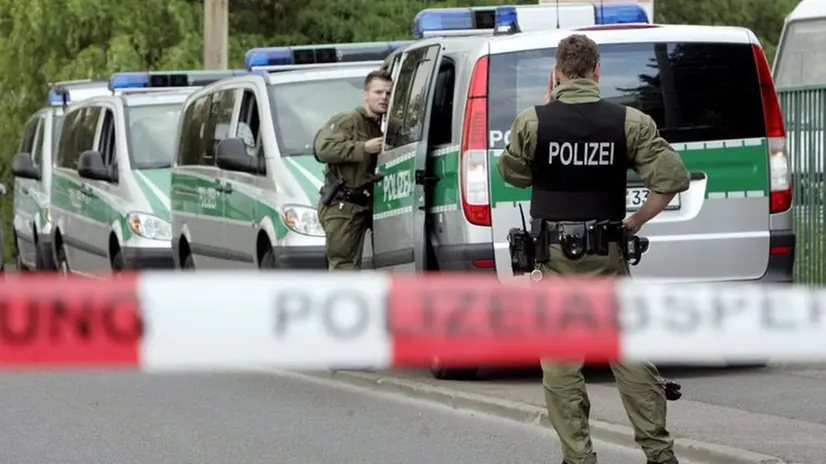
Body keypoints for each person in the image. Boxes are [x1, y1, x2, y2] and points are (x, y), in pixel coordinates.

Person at [497, 34, 690, 464]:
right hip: (608, 256)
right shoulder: (628, 121)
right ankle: (659, 454)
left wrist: (547, 113)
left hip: (555, 263)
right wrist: (636, 220)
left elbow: (513, 174)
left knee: (563, 365)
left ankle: (579, 458)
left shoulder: (532, 121)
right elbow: (673, 178)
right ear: (597, 71)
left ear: (557, 72)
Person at [314, 69, 392, 270]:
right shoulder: (347, 120)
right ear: (365, 94)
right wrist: (363, 148)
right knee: (343, 267)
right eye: (378, 92)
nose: (384, 97)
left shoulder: (383, 124)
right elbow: (323, 149)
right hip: (343, 206)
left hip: (367, 204)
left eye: (388, 93)